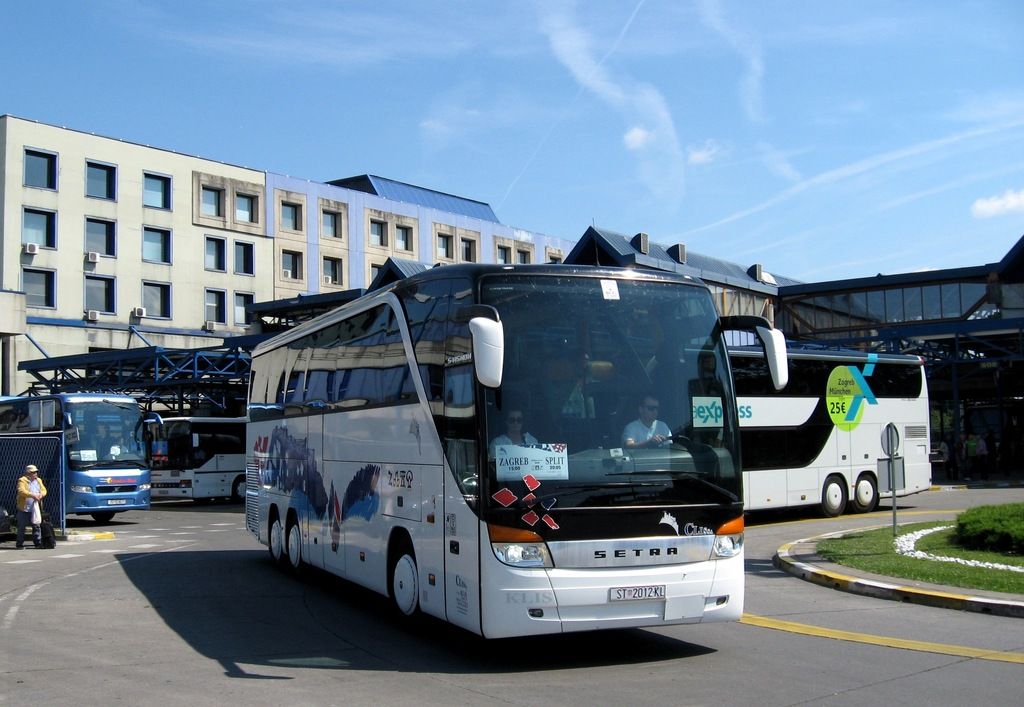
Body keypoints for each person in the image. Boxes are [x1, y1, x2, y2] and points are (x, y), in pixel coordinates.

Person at [15, 464, 47, 550]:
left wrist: (41, 495)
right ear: (28, 473)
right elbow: (21, 491)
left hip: (35, 508)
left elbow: (44, 490)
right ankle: (19, 544)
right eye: (33, 472)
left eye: (36, 472)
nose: (35, 474)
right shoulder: (22, 480)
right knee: (22, 527)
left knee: (36, 525)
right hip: (24, 508)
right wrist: (33, 495)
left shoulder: (38, 480)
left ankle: (38, 543)